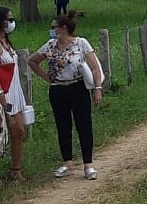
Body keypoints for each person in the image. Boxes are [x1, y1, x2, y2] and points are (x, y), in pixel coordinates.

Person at [28, 15, 103, 180]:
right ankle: (67, 162)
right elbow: (32, 61)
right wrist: (47, 77)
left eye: (55, 26)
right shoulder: (50, 45)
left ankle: (88, 164)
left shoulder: (80, 43)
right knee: (63, 126)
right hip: (58, 89)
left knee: (84, 125)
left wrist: (97, 88)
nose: (52, 30)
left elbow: (95, 68)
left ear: (63, 28)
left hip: (78, 87)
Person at [0, 7, 27, 181]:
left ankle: (15, 170)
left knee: (19, 130)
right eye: (8, 19)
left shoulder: (7, 43)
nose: (11, 22)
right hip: (3, 93)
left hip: (14, 93)